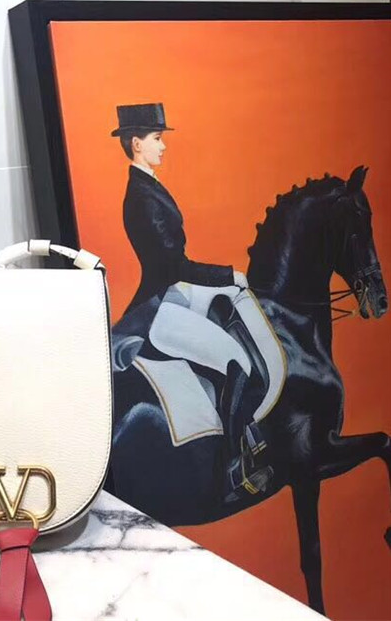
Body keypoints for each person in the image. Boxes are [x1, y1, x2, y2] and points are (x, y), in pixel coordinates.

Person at [111, 102, 272, 498]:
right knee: (236, 361)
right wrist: (227, 275)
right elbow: (172, 266)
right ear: (136, 143)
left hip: (173, 293)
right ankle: (235, 466)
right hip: (160, 305)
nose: (163, 146)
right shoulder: (141, 197)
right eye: (157, 138)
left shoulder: (149, 185)